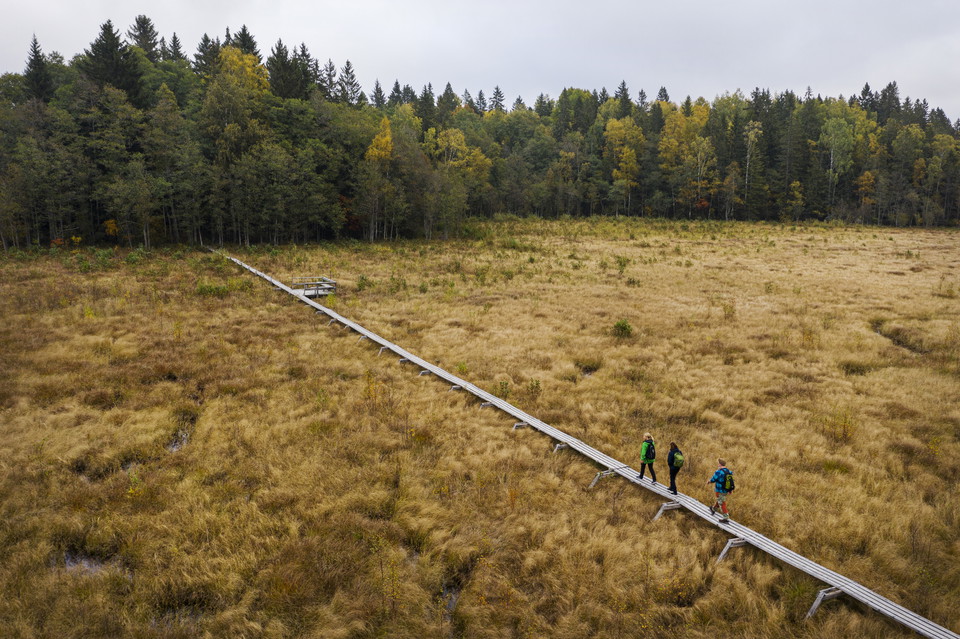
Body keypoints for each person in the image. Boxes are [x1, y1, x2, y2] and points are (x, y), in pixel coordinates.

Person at [706, 459, 733, 523]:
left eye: (718, 463)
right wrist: (730, 489)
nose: (718, 464)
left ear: (720, 464)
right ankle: (713, 509)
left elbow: (713, 479)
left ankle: (725, 518)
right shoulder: (729, 471)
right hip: (726, 490)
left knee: (722, 503)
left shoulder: (718, 472)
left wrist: (709, 481)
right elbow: (730, 481)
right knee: (720, 499)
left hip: (719, 490)